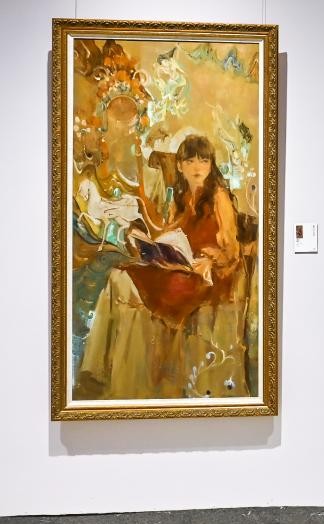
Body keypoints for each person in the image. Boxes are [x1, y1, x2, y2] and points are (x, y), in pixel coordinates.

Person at [77, 135, 249, 400]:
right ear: (179, 166)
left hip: (209, 274)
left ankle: (139, 375)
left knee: (141, 286)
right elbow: (168, 235)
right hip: (183, 266)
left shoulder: (218, 196)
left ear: (211, 165)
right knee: (119, 274)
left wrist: (210, 260)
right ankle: (101, 368)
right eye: (190, 161)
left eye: (203, 160)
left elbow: (232, 250)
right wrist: (148, 240)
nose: (197, 167)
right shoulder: (181, 197)